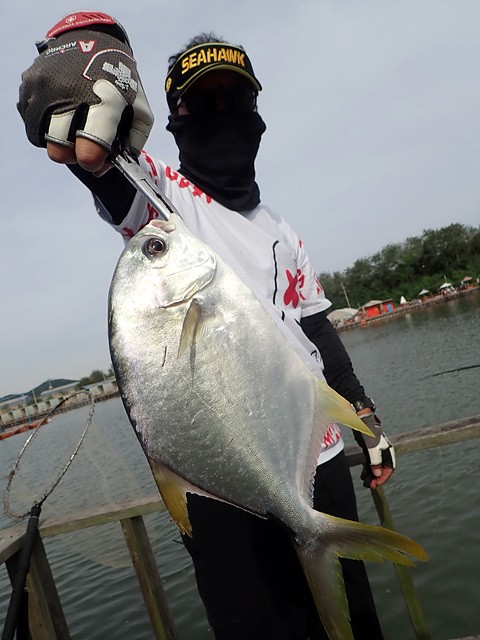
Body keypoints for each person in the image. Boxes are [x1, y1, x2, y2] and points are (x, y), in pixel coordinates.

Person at [18, 12, 396, 640]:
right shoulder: (163, 201)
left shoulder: (282, 229)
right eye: (202, 102)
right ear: (174, 118)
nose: (222, 112)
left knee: (356, 623)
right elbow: (103, 162)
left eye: (235, 98)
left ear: (256, 113)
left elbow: (317, 330)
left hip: (322, 453)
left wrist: (366, 418)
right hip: (225, 486)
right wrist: (87, 60)